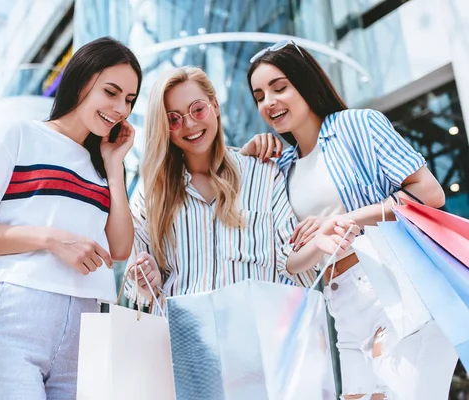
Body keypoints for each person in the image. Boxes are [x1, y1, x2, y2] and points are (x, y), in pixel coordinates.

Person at [243, 40, 458, 400]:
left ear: (305, 84)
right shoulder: (282, 168)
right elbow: (287, 258)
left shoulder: (358, 126)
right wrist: (247, 157)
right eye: (259, 95)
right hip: (341, 308)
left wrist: (348, 219)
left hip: (389, 290)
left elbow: (430, 192)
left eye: (280, 87)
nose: (269, 102)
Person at [0, 36, 142, 399]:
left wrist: (115, 168)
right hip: (17, 313)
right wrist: (50, 239)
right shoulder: (19, 135)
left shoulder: (107, 165)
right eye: (110, 92)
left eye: (129, 100)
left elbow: (121, 247)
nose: (120, 109)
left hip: (90, 322)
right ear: (82, 81)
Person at [125, 66, 359, 313]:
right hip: (184, 339)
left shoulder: (263, 174)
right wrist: (146, 276)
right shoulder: (152, 192)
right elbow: (139, 284)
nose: (190, 124)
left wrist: (317, 244)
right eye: (174, 119)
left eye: (198, 109)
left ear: (214, 106)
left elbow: (288, 259)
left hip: (257, 332)